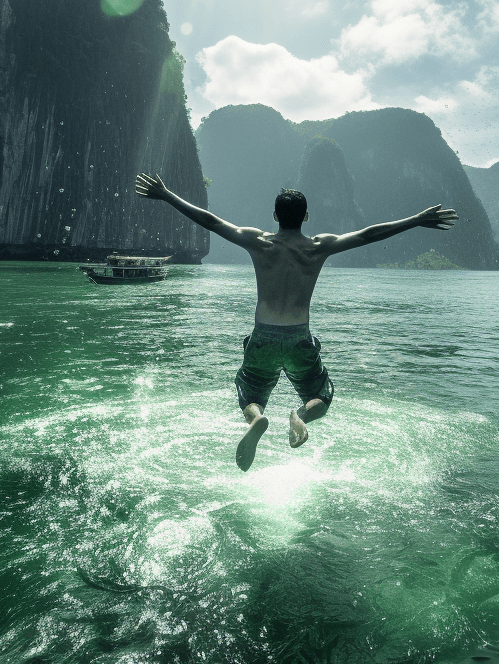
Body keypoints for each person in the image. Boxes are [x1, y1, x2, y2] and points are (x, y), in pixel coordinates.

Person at [134, 173, 458, 471]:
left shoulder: (258, 241)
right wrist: (417, 220)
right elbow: (368, 234)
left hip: (262, 336)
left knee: (249, 393)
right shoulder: (319, 246)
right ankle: (299, 415)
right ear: (306, 216)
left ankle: (257, 419)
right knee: (321, 394)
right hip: (299, 339)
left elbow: (211, 221)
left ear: (275, 216)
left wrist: (166, 195)